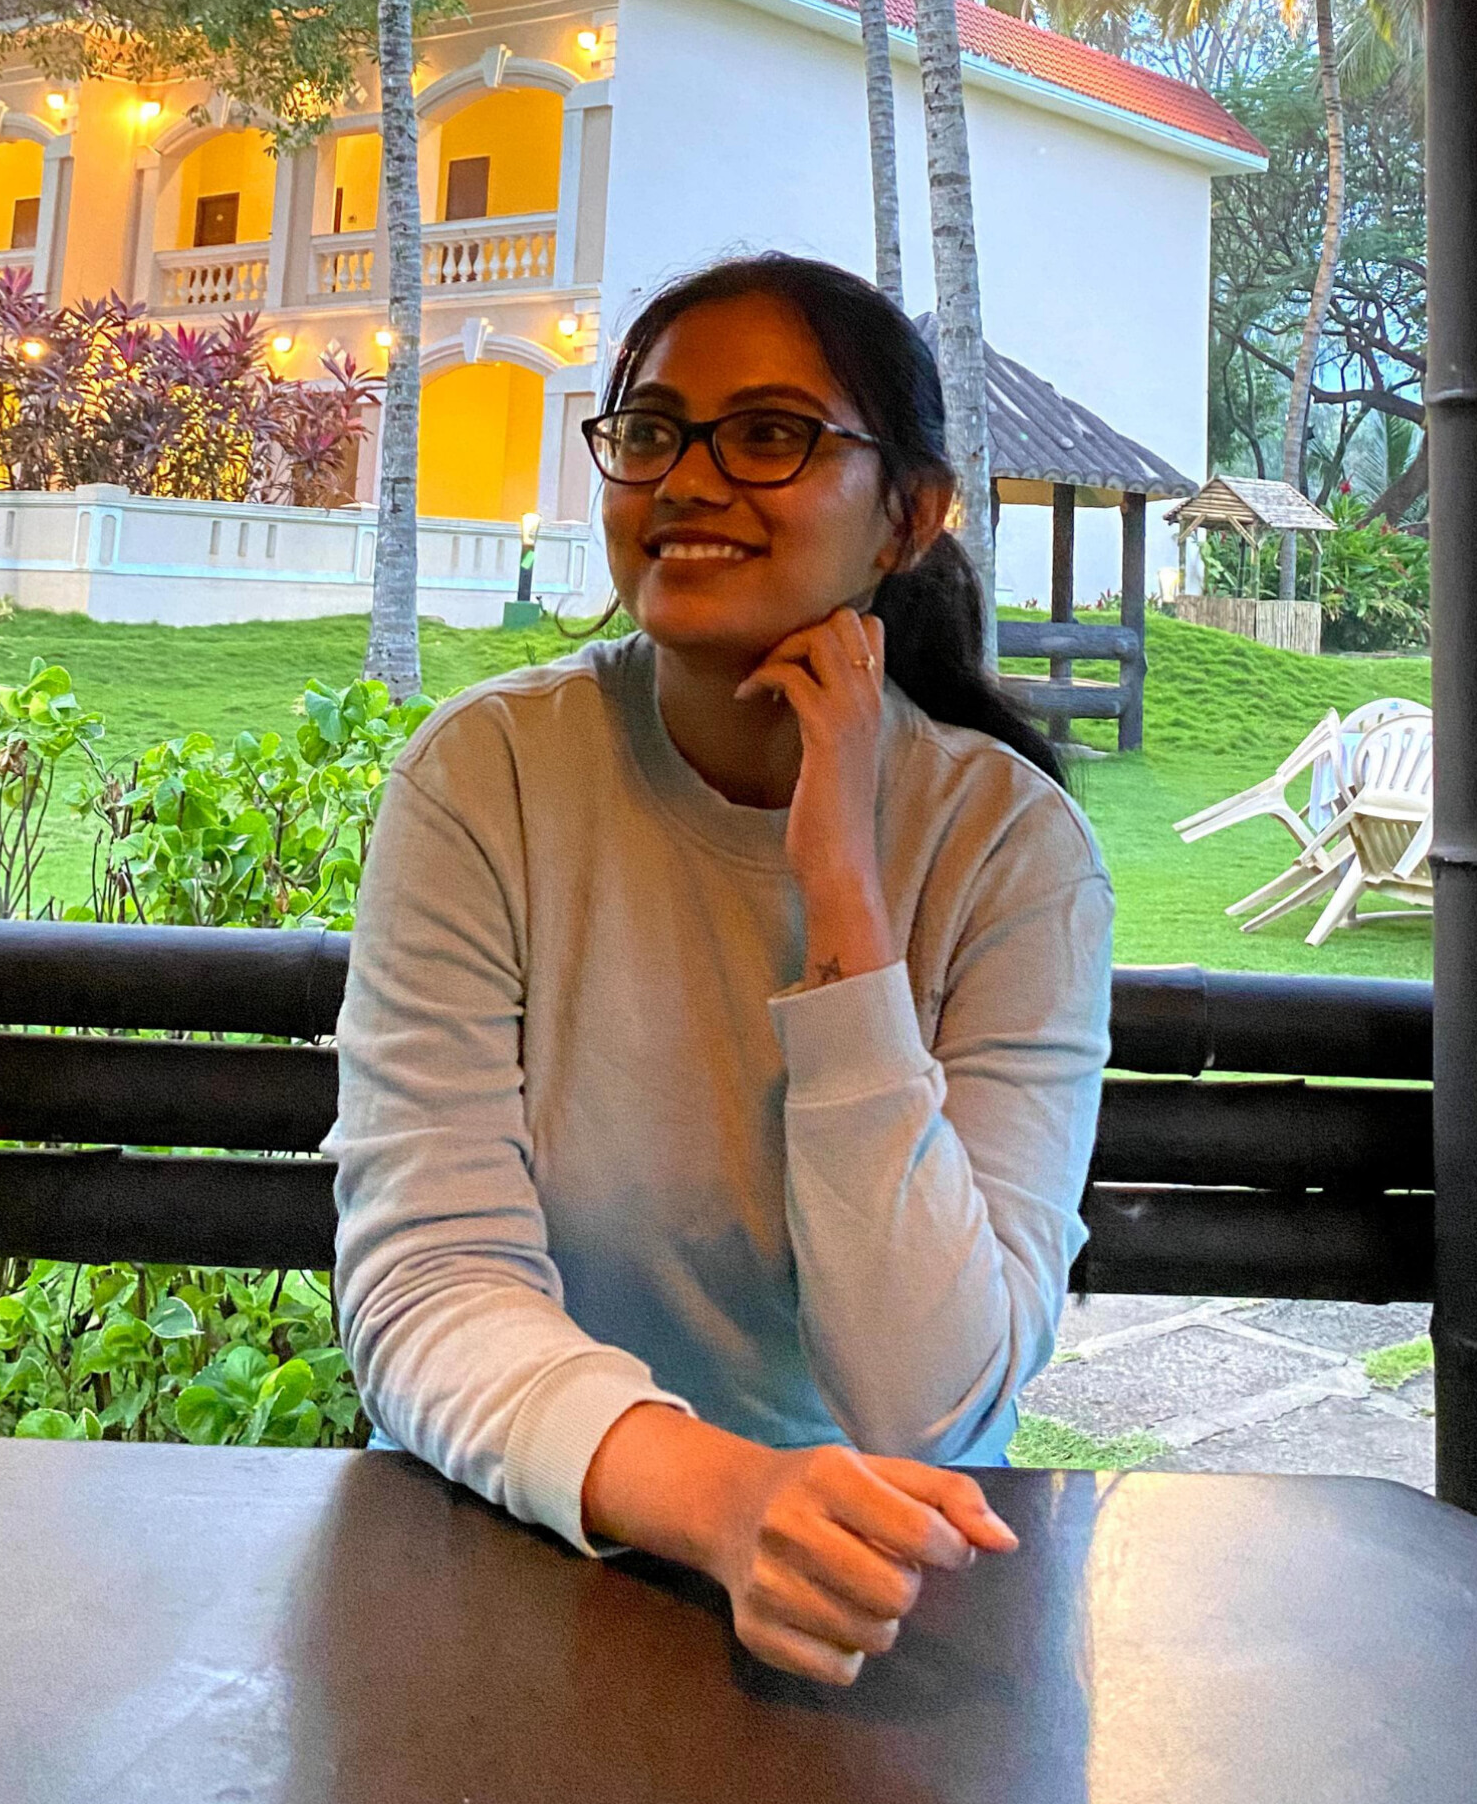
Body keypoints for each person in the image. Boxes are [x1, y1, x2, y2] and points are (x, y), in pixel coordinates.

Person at [333, 253, 1113, 1684]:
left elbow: (928, 1406)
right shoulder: (488, 778)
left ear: (910, 515)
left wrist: (843, 892)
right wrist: (723, 1500)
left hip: (880, 1602)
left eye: (769, 435)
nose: (687, 480)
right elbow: (428, 1280)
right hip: (516, 1547)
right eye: (649, 430)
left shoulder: (1011, 851)